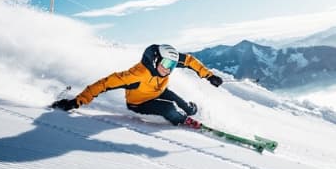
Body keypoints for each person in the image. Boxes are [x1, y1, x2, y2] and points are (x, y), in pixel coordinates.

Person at [51, 43, 223, 127]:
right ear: (155, 60)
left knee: (186, 105)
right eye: (166, 64)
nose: (168, 69)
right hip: (139, 102)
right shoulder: (135, 75)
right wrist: (76, 102)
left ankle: (189, 112)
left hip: (159, 91)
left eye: (172, 65)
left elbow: (190, 61)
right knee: (169, 109)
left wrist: (209, 76)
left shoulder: (167, 62)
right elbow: (103, 84)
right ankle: (183, 121)